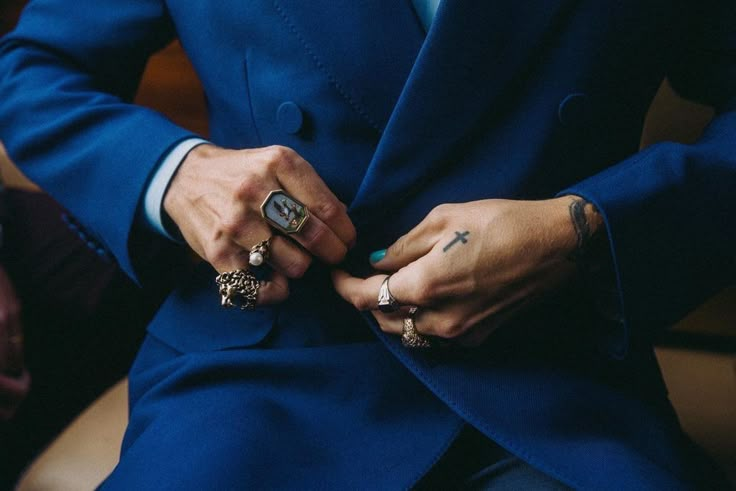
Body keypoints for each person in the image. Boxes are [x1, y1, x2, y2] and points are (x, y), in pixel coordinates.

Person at [0, 1, 734, 489]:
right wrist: (177, 175)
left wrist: (586, 229)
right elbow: (31, 71)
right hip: (265, 350)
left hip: (552, 357)